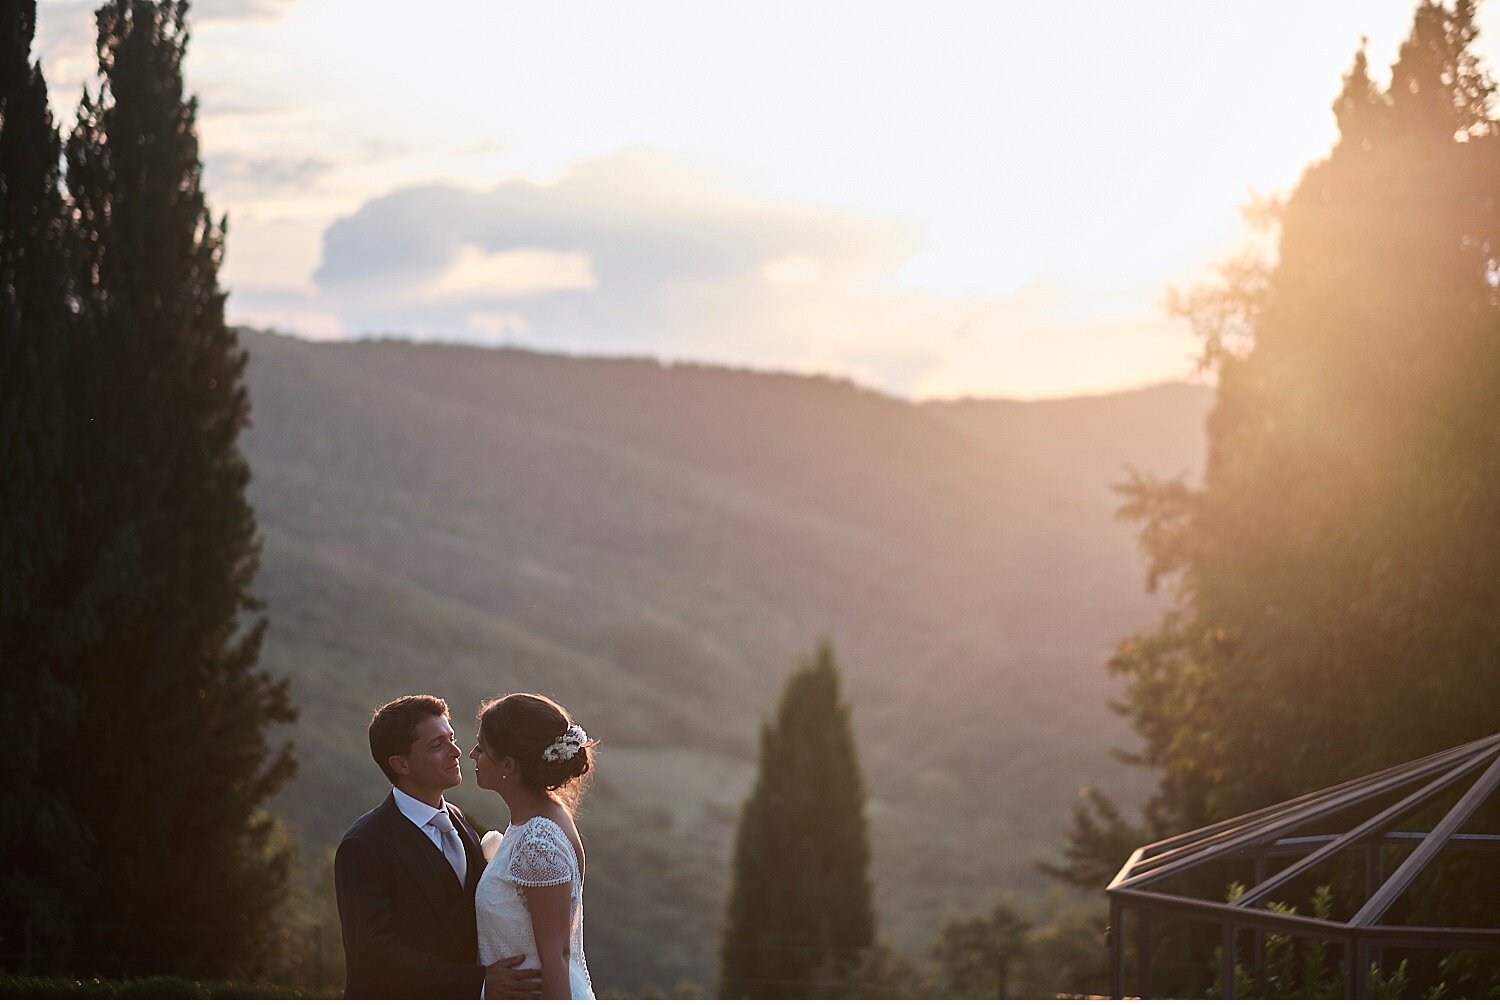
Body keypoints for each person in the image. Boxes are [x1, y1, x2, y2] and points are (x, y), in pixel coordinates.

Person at [335, 694, 542, 998]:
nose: (456, 751)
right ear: (400, 764)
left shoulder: (459, 821)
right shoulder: (364, 846)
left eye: (452, 738)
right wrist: (479, 983)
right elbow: (374, 956)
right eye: (437, 745)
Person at [470, 693, 596, 1000]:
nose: (473, 754)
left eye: (483, 748)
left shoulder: (537, 841)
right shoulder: (539, 819)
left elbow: (557, 959)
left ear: (508, 765)